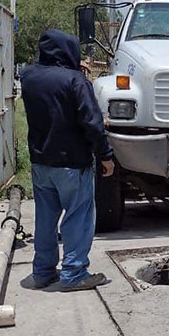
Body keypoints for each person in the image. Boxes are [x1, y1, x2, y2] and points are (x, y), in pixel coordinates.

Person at [20, 29, 115, 292]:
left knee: (45, 219)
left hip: (41, 163)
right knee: (78, 217)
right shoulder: (75, 81)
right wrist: (105, 155)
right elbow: (92, 123)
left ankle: (42, 272)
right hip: (73, 163)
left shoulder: (28, 77)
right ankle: (73, 274)